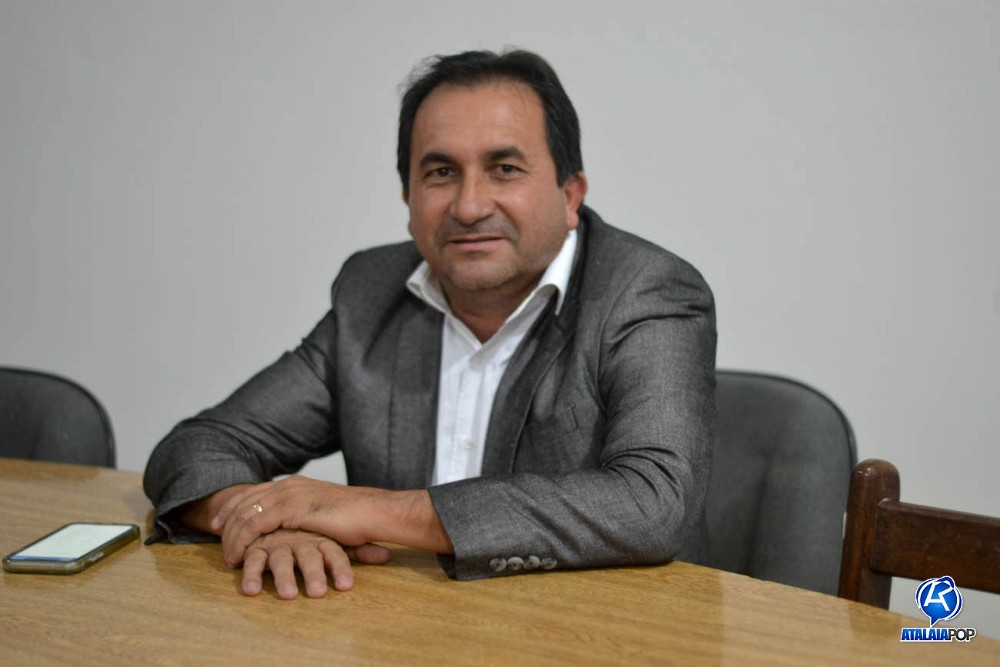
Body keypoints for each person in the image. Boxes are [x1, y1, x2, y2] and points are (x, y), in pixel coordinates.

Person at [143, 49, 717, 600]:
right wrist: (263, 521)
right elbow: (201, 446)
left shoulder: (645, 291)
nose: (469, 206)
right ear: (408, 198)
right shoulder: (371, 293)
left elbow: (652, 504)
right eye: (441, 172)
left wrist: (371, 510)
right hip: (407, 629)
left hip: (598, 633)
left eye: (505, 169)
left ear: (570, 195)